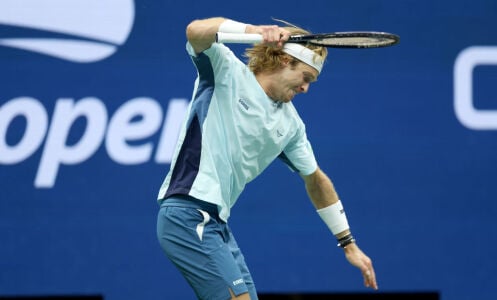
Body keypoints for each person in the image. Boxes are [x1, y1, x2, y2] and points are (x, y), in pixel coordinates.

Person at [156, 17, 378, 300]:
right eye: (306, 78)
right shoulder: (225, 71)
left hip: (217, 225)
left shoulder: (291, 126)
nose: (306, 89)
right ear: (285, 61)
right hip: (186, 214)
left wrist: (348, 244)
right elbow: (194, 31)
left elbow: (316, 181)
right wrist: (255, 32)